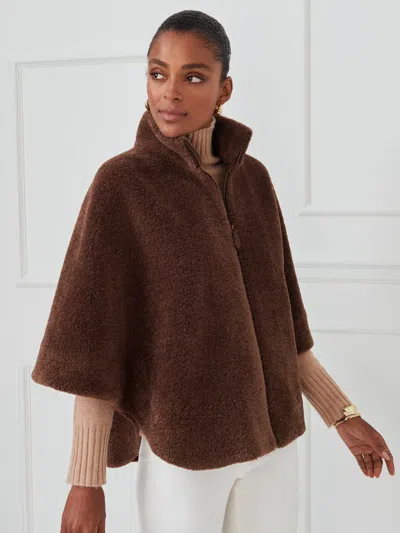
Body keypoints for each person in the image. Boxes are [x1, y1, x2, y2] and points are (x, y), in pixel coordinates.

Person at [32, 10, 395, 533]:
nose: (170, 92)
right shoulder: (121, 185)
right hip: (184, 455)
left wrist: (343, 416)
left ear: (224, 89)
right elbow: (93, 345)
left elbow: (284, 329)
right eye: (158, 73)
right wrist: (86, 482)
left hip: (272, 451)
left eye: (194, 76)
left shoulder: (253, 181)